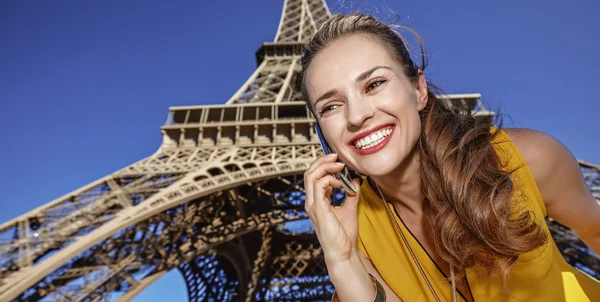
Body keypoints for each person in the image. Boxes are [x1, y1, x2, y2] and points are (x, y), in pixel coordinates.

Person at [299, 12, 600, 302]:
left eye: (375, 84)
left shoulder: (527, 158)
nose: (357, 115)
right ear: (322, 131)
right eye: (330, 106)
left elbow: (595, 229)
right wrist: (343, 260)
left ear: (418, 90)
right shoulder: (356, 234)